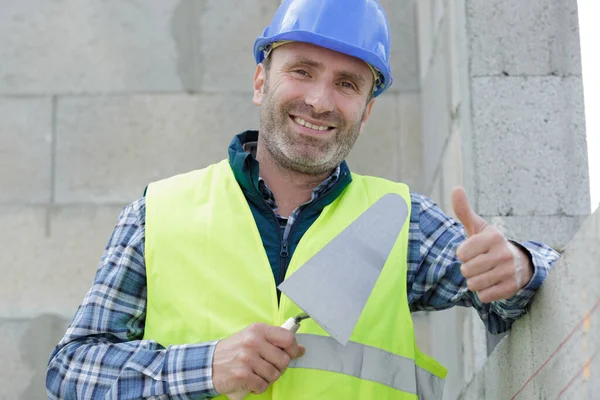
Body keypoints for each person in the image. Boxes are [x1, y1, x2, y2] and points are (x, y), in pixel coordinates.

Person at [46, 0, 560, 399]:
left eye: (346, 84)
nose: (319, 100)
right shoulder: (156, 216)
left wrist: (516, 266)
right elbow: (71, 371)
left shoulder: (402, 224)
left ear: (365, 112)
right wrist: (204, 367)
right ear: (260, 81)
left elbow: (540, 288)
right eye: (302, 71)